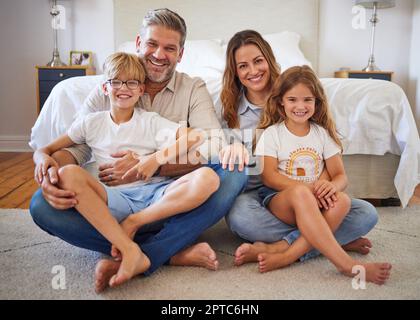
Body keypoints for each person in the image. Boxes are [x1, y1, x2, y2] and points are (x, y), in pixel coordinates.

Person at [29, 9, 247, 292]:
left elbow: (212, 144)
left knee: (235, 171)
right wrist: (53, 175)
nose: (159, 54)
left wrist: (154, 164)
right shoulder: (107, 87)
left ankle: (142, 251)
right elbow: (76, 146)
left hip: (171, 198)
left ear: (180, 54)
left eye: (169, 48)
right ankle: (167, 251)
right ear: (138, 43)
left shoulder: (193, 88)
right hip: (112, 198)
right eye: (152, 44)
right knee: (41, 205)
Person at [218, 30, 379, 267]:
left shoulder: (297, 90)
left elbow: (327, 159)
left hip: (311, 190)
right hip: (262, 196)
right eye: (243, 66)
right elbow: (262, 174)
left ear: (269, 59)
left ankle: (286, 247)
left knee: (366, 213)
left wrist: (319, 189)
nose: (253, 71)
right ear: (235, 71)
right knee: (239, 217)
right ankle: (328, 239)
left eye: (258, 61)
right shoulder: (229, 109)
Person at [254, 65, 391, 284]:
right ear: (280, 101)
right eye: (292, 100)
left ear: (317, 102)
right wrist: (310, 189)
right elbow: (268, 177)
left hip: (318, 202)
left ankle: (287, 253)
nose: (300, 106)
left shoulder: (322, 134)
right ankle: (346, 263)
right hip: (283, 201)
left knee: (343, 201)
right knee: (300, 194)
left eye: (307, 100)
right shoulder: (273, 134)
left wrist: (333, 187)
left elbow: (340, 176)